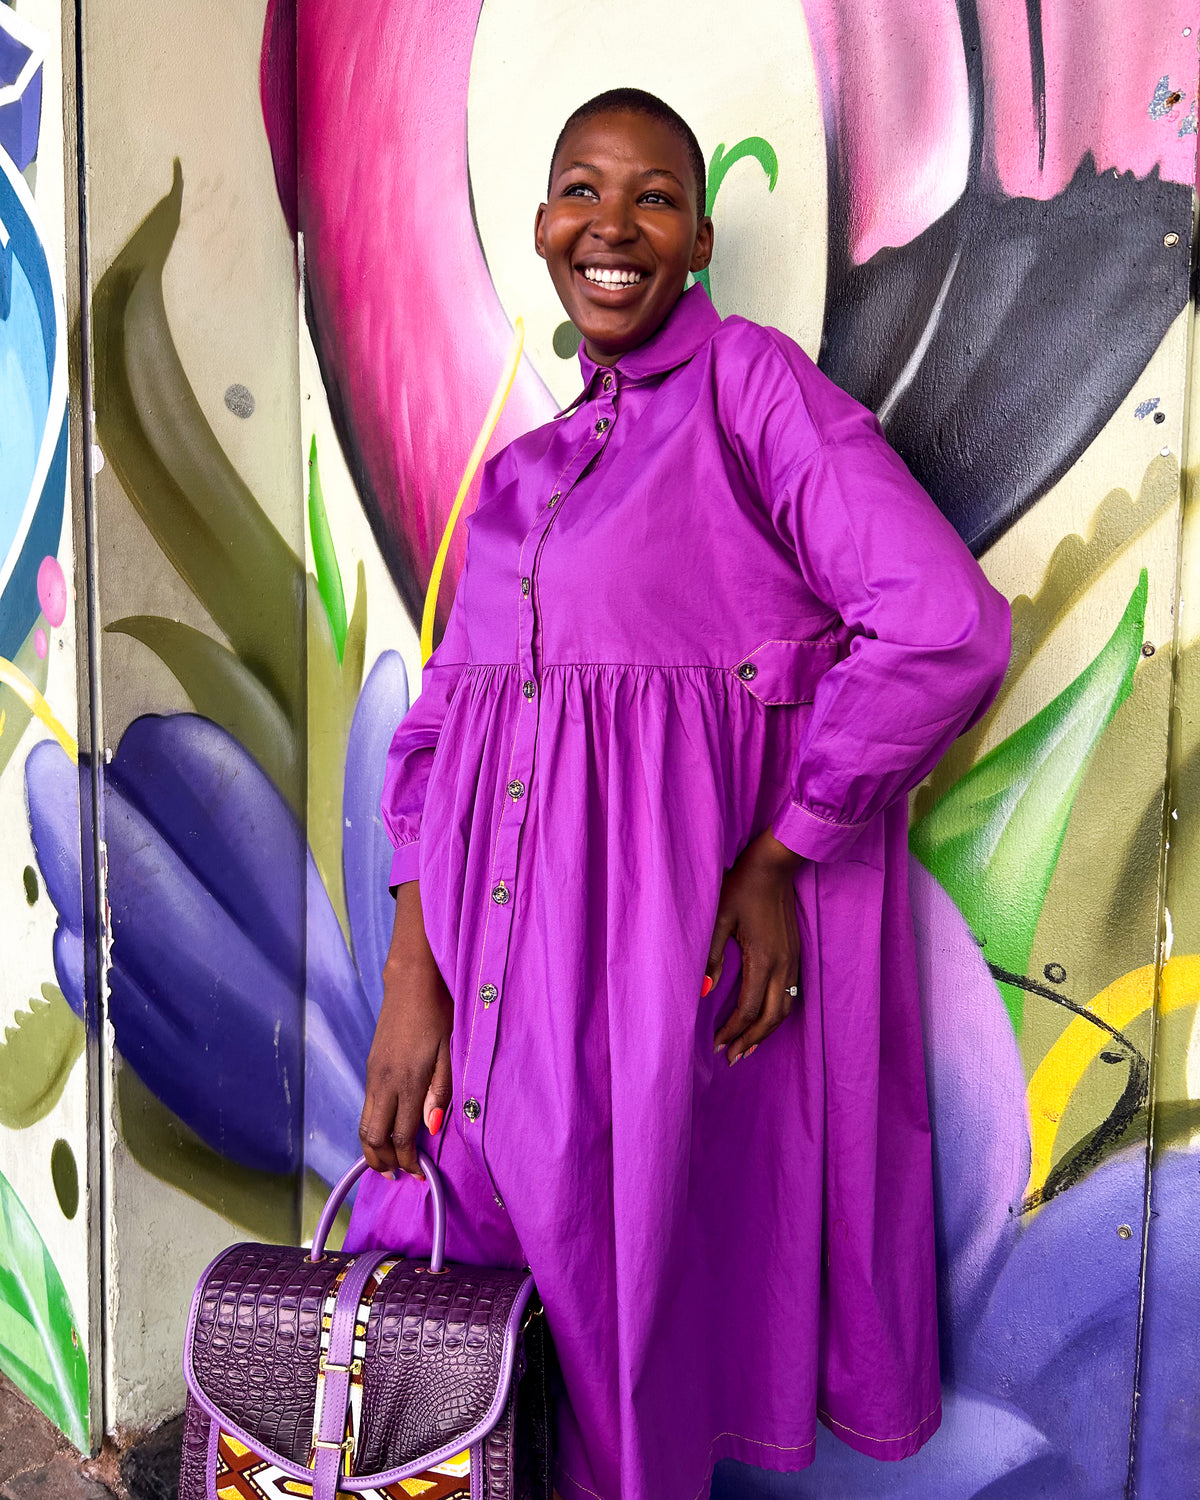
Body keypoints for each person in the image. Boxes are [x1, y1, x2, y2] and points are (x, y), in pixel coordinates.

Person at [345, 87, 1011, 1500]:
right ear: (539, 225)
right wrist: (416, 974)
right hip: (482, 1002)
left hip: (642, 1002)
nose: (613, 225)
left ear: (700, 236)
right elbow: (436, 744)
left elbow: (941, 623)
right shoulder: (521, 478)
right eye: (581, 189)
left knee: (618, 1355)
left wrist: (785, 850)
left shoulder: (748, 394)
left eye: (654, 197)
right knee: (468, 1361)